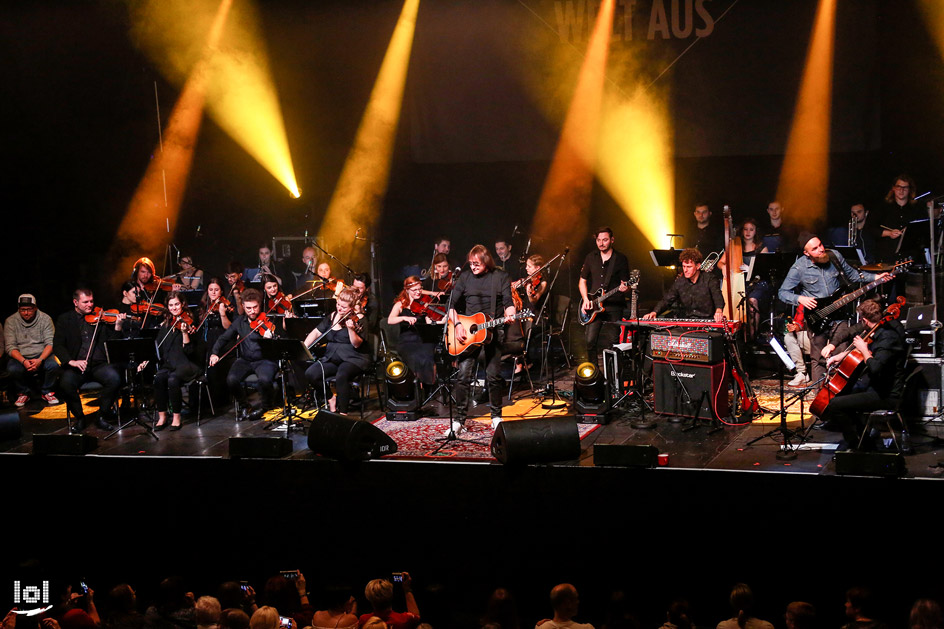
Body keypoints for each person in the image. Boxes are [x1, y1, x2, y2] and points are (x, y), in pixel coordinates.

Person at [777, 234, 887, 388]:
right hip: (817, 317)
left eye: (820, 244)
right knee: (818, 359)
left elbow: (853, 275)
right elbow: (783, 292)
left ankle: (838, 396)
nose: (821, 249)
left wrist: (876, 277)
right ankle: (819, 400)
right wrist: (800, 299)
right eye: (815, 249)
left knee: (841, 356)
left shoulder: (834, 256)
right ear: (806, 253)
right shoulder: (799, 268)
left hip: (839, 314)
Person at [818, 299, 907, 449]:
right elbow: (868, 355)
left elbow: (875, 368)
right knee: (844, 394)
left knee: (835, 404)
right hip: (877, 387)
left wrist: (864, 349)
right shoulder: (879, 330)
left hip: (886, 394)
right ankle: (863, 436)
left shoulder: (887, 337)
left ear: (864, 320)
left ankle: (856, 444)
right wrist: (842, 356)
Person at [448, 244, 516, 432]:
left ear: (486, 262)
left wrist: (511, 314)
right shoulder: (465, 277)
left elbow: (509, 303)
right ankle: (459, 421)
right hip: (467, 334)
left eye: (476, 263)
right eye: (470, 263)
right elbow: (451, 305)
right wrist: (459, 325)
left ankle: (496, 416)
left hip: (492, 331)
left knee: (493, 377)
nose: (473, 267)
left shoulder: (500, 277)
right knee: (463, 377)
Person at [53, 288, 124, 431]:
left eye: (91, 301)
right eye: (85, 302)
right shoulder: (65, 319)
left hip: (99, 364)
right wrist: (71, 362)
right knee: (66, 383)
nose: (90, 305)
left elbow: (112, 345)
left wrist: (117, 327)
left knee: (115, 378)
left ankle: (101, 416)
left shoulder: (101, 319)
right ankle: (80, 418)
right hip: (77, 366)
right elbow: (58, 345)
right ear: (75, 302)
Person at [208, 288, 277, 421]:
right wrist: (214, 353)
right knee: (231, 379)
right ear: (243, 306)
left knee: (264, 380)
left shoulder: (268, 319)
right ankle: (245, 406)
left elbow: (278, 344)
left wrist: (270, 339)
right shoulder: (239, 322)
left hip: (265, 360)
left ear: (259, 305)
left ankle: (266, 407)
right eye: (249, 308)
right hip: (245, 360)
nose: (252, 311)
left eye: (255, 307)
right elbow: (224, 338)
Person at [303, 287, 372, 414]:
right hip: (333, 357)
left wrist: (351, 329)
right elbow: (316, 332)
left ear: (351, 308)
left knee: (342, 374)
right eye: (338, 304)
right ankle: (331, 398)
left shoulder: (360, 319)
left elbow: (357, 344)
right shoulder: (332, 316)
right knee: (311, 373)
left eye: (344, 307)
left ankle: (342, 413)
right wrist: (304, 348)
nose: (339, 308)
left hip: (354, 358)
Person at [579, 227, 630, 366]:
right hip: (594, 306)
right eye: (599, 240)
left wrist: (625, 288)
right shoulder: (591, 257)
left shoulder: (620, 259)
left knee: (612, 343)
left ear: (612, 240)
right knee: (590, 341)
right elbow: (582, 281)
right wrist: (585, 300)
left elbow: (626, 284)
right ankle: (594, 374)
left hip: (614, 306)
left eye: (605, 240)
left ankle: (613, 378)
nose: (601, 243)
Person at [150, 293, 200, 431]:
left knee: (173, 380)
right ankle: (162, 416)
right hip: (170, 364)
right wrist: (147, 359)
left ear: (183, 304)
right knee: (159, 378)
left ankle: (177, 417)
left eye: (177, 304)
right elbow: (158, 346)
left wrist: (185, 333)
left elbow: (190, 351)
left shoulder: (190, 322)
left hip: (186, 364)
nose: (174, 308)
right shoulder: (167, 324)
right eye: (171, 305)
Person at [5, 293, 60, 406]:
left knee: (53, 365)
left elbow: (50, 343)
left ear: (35, 308)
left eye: (29, 309)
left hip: (42, 354)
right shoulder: (11, 321)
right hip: (21, 356)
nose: (26, 313)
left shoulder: (45, 319)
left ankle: (47, 391)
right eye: (23, 309)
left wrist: (40, 359)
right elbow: (10, 346)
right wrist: (24, 361)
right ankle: (23, 392)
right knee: (12, 368)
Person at [643, 248, 724, 323]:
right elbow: (667, 300)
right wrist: (655, 312)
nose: (685, 270)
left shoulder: (709, 279)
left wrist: (719, 310)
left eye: (689, 267)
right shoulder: (680, 282)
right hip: (688, 321)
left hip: (708, 320)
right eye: (684, 266)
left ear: (698, 266)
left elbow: (717, 297)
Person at [388, 277, 439, 386]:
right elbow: (390, 320)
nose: (418, 292)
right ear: (407, 290)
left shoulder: (423, 303)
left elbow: (428, 321)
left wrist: (434, 320)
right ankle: (416, 388)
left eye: (420, 289)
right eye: (414, 290)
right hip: (407, 340)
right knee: (414, 357)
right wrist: (404, 318)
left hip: (423, 338)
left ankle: (429, 386)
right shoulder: (400, 304)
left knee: (428, 356)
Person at [874, 174, 920, 264]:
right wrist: (889, 233)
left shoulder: (916, 208)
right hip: (887, 256)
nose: (901, 190)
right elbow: (870, 228)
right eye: (898, 187)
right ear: (893, 188)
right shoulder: (882, 207)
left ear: (910, 190)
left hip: (909, 256)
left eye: (905, 187)